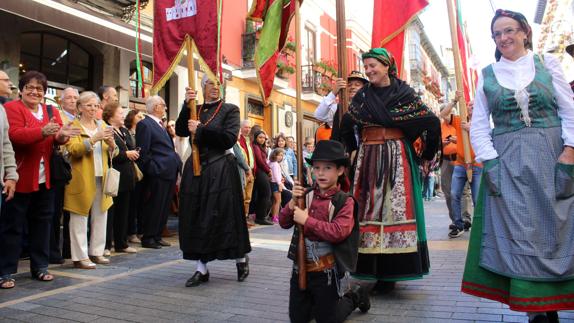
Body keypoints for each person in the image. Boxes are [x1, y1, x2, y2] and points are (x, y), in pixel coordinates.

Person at [462, 9, 574, 323]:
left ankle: (551, 302)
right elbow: (480, 125)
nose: (504, 38)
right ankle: (536, 310)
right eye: (497, 34)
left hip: (551, 156)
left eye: (509, 30)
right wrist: (490, 160)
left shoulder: (547, 64)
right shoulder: (488, 74)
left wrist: (570, 152)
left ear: (524, 31)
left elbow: (569, 111)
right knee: (522, 232)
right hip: (508, 161)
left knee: (555, 230)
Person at [340, 48, 441, 291]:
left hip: (396, 157)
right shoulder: (362, 96)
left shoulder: (404, 93)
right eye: (367, 67)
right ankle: (368, 268)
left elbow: (431, 122)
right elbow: (346, 123)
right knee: (368, 211)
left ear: (387, 66)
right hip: (367, 158)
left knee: (392, 211)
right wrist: (352, 150)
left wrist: (425, 155)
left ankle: (391, 272)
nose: (369, 70)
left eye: (373, 65)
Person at [1, 71, 79, 288]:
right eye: (30, 87)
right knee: (13, 225)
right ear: (22, 89)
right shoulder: (11, 109)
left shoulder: (49, 109)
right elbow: (15, 136)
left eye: (39, 89)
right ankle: (6, 271)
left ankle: (40, 266)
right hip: (19, 177)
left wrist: (62, 136)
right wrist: (42, 131)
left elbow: (56, 138)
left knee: (43, 223)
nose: (35, 92)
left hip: (46, 179)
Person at [279, 140, 370, 323]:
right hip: (301, 268)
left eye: (327, 168)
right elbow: (283, 222)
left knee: (328, 319)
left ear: (340, 170)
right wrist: (291, 203)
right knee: (297, 318)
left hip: (326, 272)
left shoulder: (345, 201)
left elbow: (338, 232)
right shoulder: (305, 195)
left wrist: (307, 221)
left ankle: (354, 296)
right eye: (317, 167)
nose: (320, 172)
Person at [176, 76, 251, 287]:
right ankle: (201, 269)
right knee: (197, 215)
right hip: (197, 169)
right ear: (202, 88)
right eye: (210, 84)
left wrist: (200, 130)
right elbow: (182, 130)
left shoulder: (230, 110)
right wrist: (185, 105)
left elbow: (228, 139)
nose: (215, 88)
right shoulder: (195, 108)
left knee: (227, 216)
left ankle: (241, 259)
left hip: (221, 169)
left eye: (218, 85)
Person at [65, 91, 117, 269]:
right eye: (89, 105)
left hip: (102, 176)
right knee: (79, 216)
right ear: (79, 107)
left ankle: (97, 252)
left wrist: (112, 146)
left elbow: (114, 153)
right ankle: (80, 256)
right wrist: (93, 139)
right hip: (81, 178)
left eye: (96, 105)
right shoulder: (73, 125)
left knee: (101, 214)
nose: (93, 109)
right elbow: (73, 150)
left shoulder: (102, 124)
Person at [136, 95, 181, 249]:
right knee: (154, 205)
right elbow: (144, 151)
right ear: (156, 107)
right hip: (158, 172)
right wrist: (153, 169)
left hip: (168, 171)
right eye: (163, 105)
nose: (165, 108)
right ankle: (148, 237)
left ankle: (157, 235)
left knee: (164, 206)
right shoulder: (145, 124)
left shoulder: (161, 125)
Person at [102, 102, 139, 254]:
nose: (123, 115)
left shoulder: (123, 130)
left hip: (126, 176)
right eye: (120, 113)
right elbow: (109, 152)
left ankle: (121, 243)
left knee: (124, 212)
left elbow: (130, 146)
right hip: (114, 175)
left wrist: (133, 152)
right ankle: (106, 245)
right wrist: (126, 154)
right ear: (110, 116)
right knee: (111, 212)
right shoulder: (107, 130)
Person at [50, 87, 79, 264]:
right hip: (61, 169)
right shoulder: (58, 116)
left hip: (78, 170)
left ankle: (69, 250)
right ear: (61, 100)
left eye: (76, 97)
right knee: (55, 211)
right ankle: (53, 251)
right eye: (69, 97)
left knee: (72, 212)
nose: (73, 100)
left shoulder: (80, 119)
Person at [314, 70, 368, 142]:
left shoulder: (369, 107)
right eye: (349, 85)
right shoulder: (339, 108)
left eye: (357, 85)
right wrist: (333, 93)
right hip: (343, 151)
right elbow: (319, 115)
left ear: (364, 88)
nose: (352, 87)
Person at [124, 109, 144, 244]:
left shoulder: (143, 131)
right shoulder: (127, 132)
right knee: (129, 205)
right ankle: (129, 232)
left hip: (139, 171)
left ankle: (134, 231)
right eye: (139, 116)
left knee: (136, 204)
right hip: (129, 170)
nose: (142, 118)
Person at [251, 130, 273, 225]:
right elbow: (260, 161)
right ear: (256, 138)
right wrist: (268, 170)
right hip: (260, 172)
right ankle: (261, 217)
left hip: (263, 172)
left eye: (264, 138)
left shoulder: (261, 147)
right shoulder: (255, 146)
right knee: (266, 194)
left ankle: (261, 217)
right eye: (260, 137)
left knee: (263, 195)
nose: (262, 139)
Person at [238, 120, 256, 219]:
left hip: (250, 172)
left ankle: (245, 217)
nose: (248, 129)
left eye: (249, 127)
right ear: (241, 128)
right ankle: (241, 219)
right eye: (246, 127)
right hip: (243, 172)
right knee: (243, 196)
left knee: (248, 197)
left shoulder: (249, 140)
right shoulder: (238, 139)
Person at [268, 147, 285, 223]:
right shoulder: (275, 164)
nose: (280, 157)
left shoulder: (271, 163)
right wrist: (280, 184)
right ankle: (275, 217)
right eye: (279, 155)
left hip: (274, 183)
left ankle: (273, 216)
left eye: (282, 155)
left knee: (274, 200)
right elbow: (276, 175)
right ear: (274, 155)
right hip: (276, 183)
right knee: (278, 200)